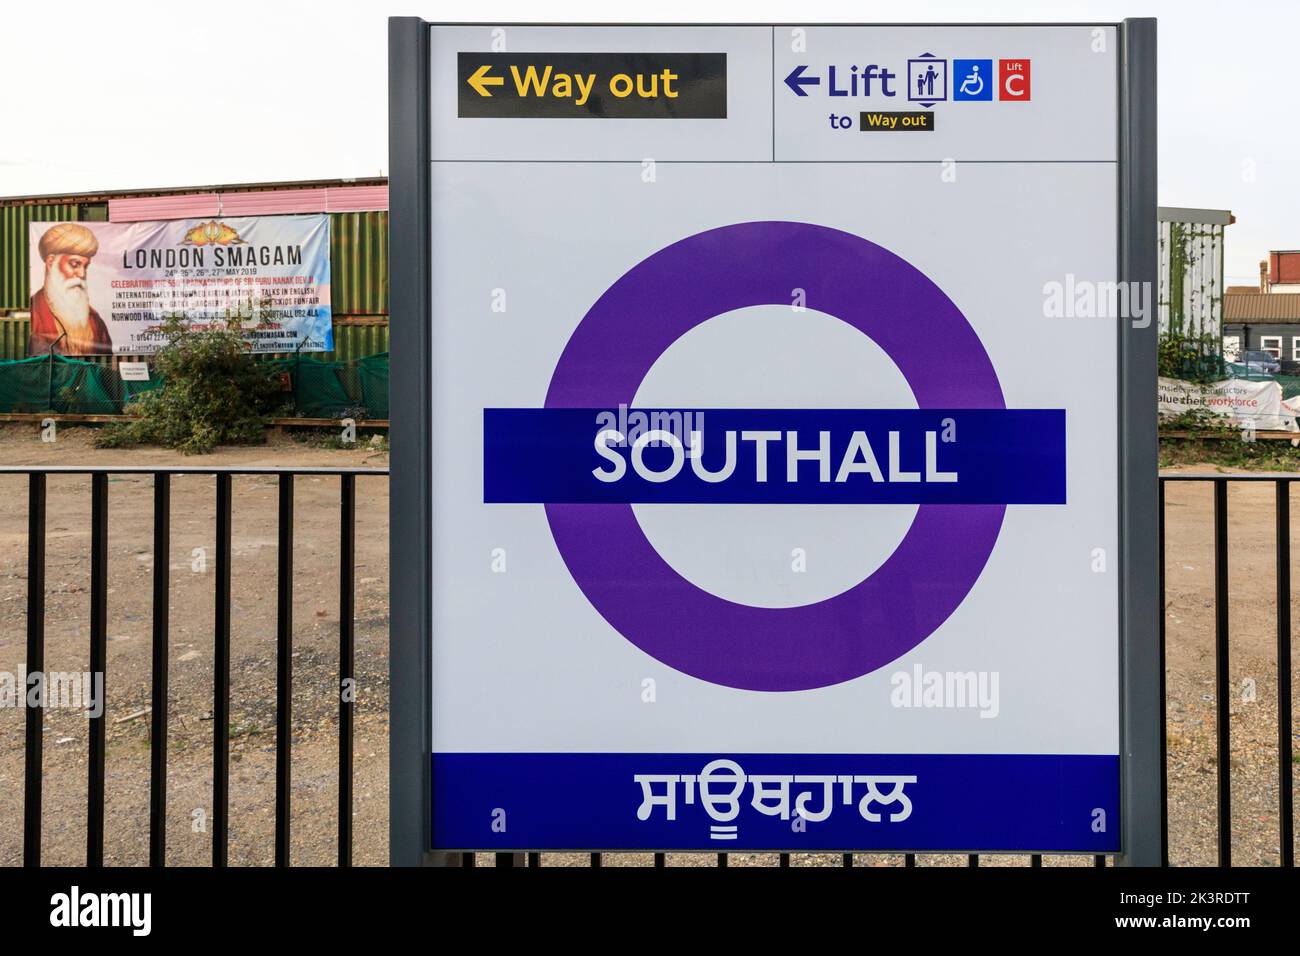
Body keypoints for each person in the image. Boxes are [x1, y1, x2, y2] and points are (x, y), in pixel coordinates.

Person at [29, 222, 113, 355]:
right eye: (75, 264)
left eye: (85, 267)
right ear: (51, 262)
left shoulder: (95, 321)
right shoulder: (34, 313)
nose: (82, 274)